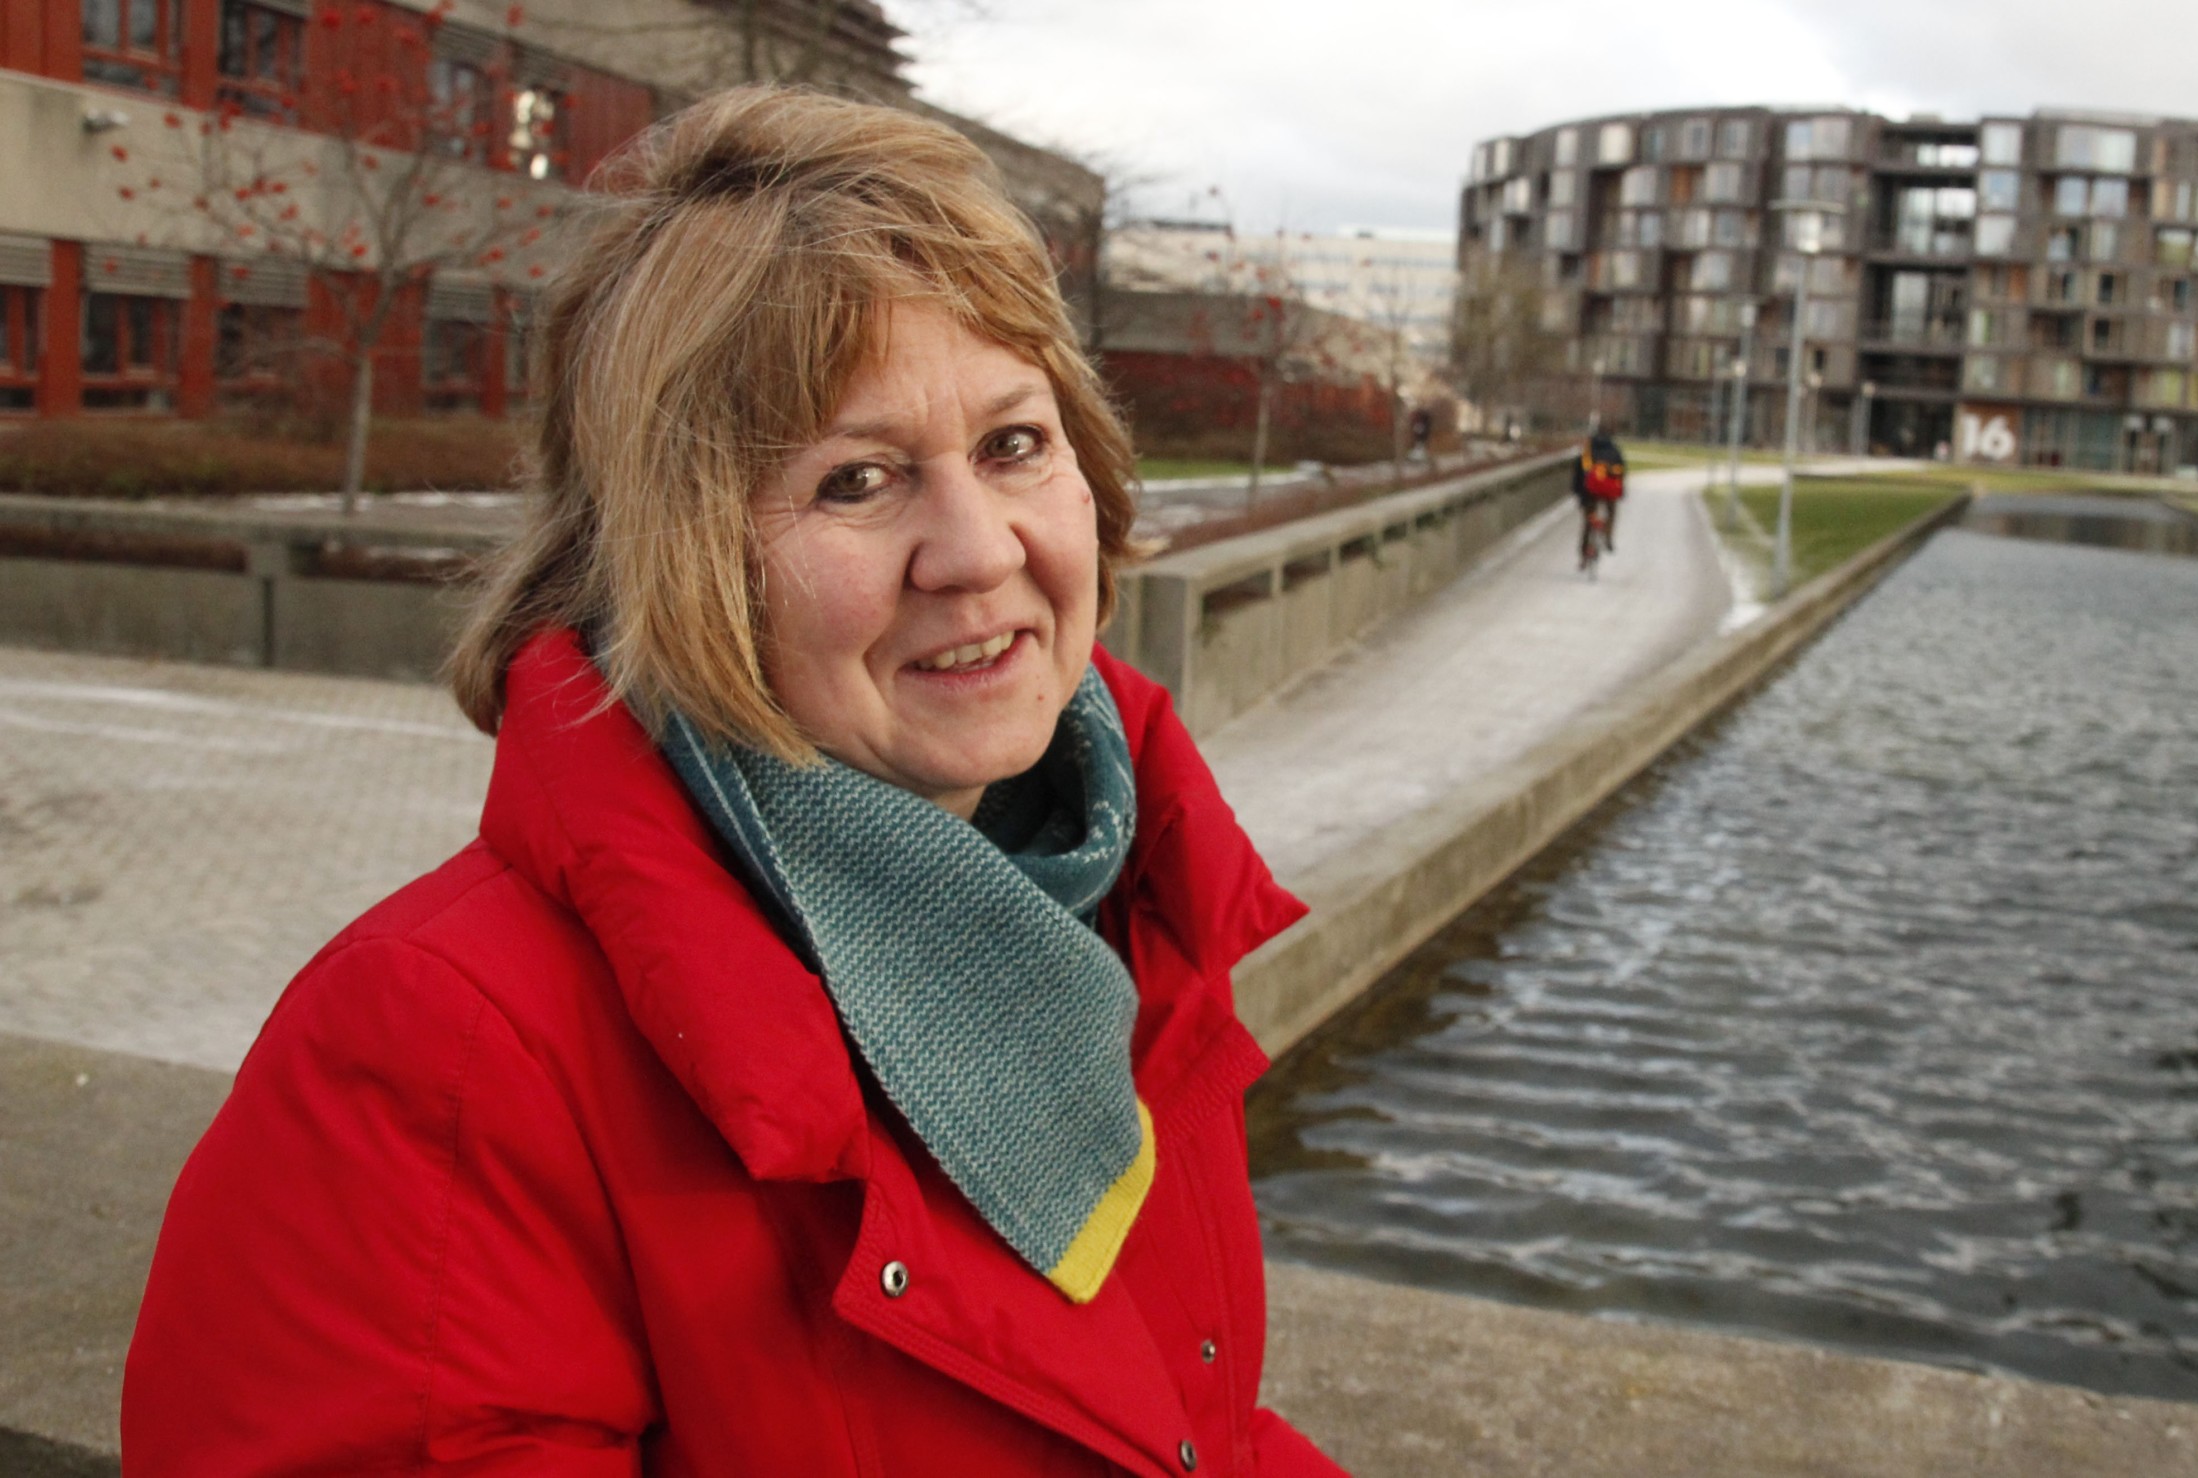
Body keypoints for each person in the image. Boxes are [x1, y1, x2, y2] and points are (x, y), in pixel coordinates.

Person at [123, 87, 1349, 1478]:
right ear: (680, 557)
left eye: (1013, 443)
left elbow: (1193, 1429)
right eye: (857, 481)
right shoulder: (443, 1057)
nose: (976, 550)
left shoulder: (1125, 905)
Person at [1573, 423, 1627, 555]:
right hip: (1609, 490)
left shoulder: (1588, 450)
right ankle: (1608, 536)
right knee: (1611, 512)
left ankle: (1584, 547)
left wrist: (1578, 492)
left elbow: (1579, 473)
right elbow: (1621, 471)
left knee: (1589, 516)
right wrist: (1621, 491)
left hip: (1590, 489)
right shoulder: (1614, 450)